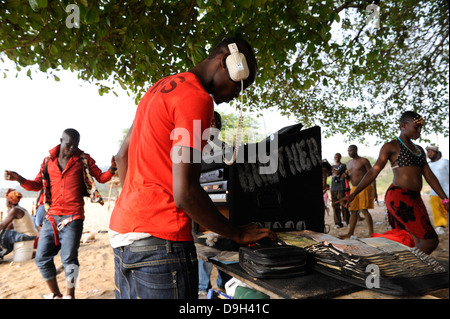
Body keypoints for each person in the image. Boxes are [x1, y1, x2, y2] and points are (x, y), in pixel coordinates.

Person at [109, 37, 276, 299]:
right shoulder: (197, 98)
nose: (237, 95)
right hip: (160, 243)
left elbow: (121, 156)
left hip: (123, 233)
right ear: (227, 62)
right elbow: (185, 192)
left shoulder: (158, 89)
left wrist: (139, 204)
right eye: (240, 84)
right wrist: (237, 233)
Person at [4, 128, 116, 299]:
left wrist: (113, 169)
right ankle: (56, 294)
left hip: (74, 217)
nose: (71, 149)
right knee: (41, 258)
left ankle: (70, 295)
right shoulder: (48, 161)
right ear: (61, 140)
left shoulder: (83, 160)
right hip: (51, 216)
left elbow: (101, 177)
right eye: (68, 145)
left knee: (69, 260)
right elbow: (36, 185)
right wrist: (19, 178)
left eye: (75, 146)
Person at [339, 111, 449, 254]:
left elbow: (429, 176)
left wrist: (445, 199)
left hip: (416, 198)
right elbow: (373, 171)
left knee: (413, 239)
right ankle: (409, 268)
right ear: (403, 126)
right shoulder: (391, 147)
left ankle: (403, 268)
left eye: (421, 127)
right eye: (416, 127)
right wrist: (353, 194)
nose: (420, 131)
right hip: (399, 196)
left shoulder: (420, 150)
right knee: (429, 240)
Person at [338, 145, 377, 239]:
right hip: (354, 188)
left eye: (351, 151)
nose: (349, 153)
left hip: (364, 187)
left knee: (364, 210)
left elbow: (372, 174)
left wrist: (374, 190)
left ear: (355, 150)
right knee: (353, 211)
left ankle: (371, 233)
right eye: (348, 151)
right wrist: (345, 176)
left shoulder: (364, 161)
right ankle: (350, 233)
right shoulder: (349, 163)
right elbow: (350, 176)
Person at [0, 189, 37, 261]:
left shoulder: (15, 210)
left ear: (9, 201)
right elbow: (9, 226)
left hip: (27, 236)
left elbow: (2, 226)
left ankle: (2, 254)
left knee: (2, 235)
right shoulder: (17, 209)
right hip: (29, 235)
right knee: (4, 234)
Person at [426, 145, 449, 235]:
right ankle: (440, 226)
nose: (429, 153)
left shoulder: (445, 162)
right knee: (434, 203)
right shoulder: (427, 165)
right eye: (428, 152)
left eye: (431, 151)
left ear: (437, 153)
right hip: (435, 192)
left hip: (448, 191)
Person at [330, 153, 350, 228]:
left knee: (343, 205)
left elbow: (337, 172)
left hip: (341, 187)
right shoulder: (333, 167)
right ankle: (338, 223)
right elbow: (329, 174)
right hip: (333, 188)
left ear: (340, 157)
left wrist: (331, 167)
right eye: (335, 157)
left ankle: (348, 221)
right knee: (335, 206)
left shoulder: (343, 165)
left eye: (337, 157)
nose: (336, 158)